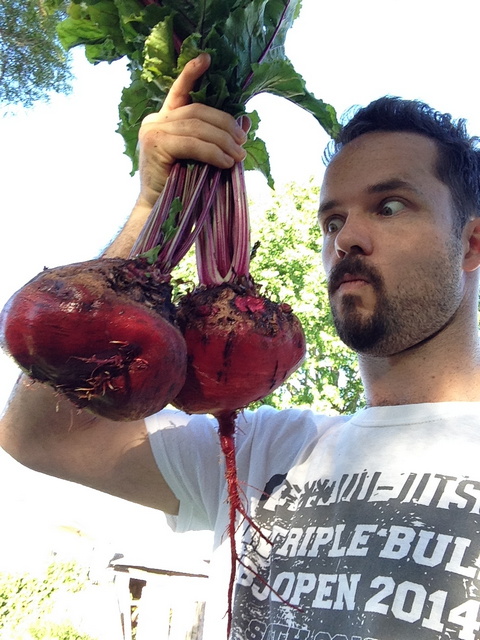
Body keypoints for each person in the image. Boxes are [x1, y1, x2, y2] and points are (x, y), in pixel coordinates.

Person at [2, 52, 480, 640]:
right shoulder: (270, 448)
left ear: (471, 244)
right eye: (332, 220)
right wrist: (151, 208)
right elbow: (37, 437)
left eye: (389, 206)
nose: (347, 238)